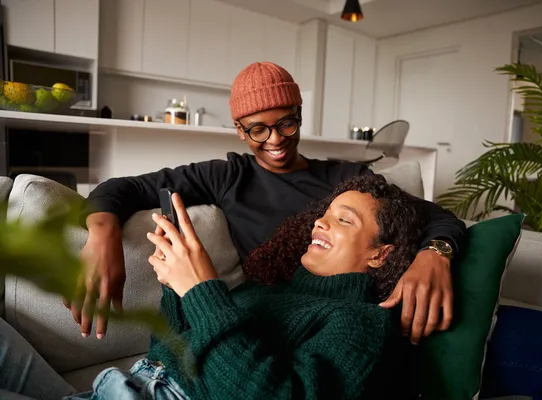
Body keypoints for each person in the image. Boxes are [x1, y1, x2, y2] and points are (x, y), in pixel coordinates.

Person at [71, 61, 466, 344]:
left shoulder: (347, 179)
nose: (275, 140)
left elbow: (434, 216)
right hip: (276, 321)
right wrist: (103, 232)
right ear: (239, 130)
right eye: (258, 129)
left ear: (299, 115)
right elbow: (122, 188)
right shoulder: (227, 176)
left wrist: (435, 253)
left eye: (286, 123)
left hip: (345, 317)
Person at [1, 175, 422, 399]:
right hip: (123, 384)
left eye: (344, 220)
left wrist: (202, 290)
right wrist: (176, 287)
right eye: (324, 214)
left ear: (380, 254)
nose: (319, 222)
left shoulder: (364, 324)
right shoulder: (268, 291)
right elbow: (167, 350)